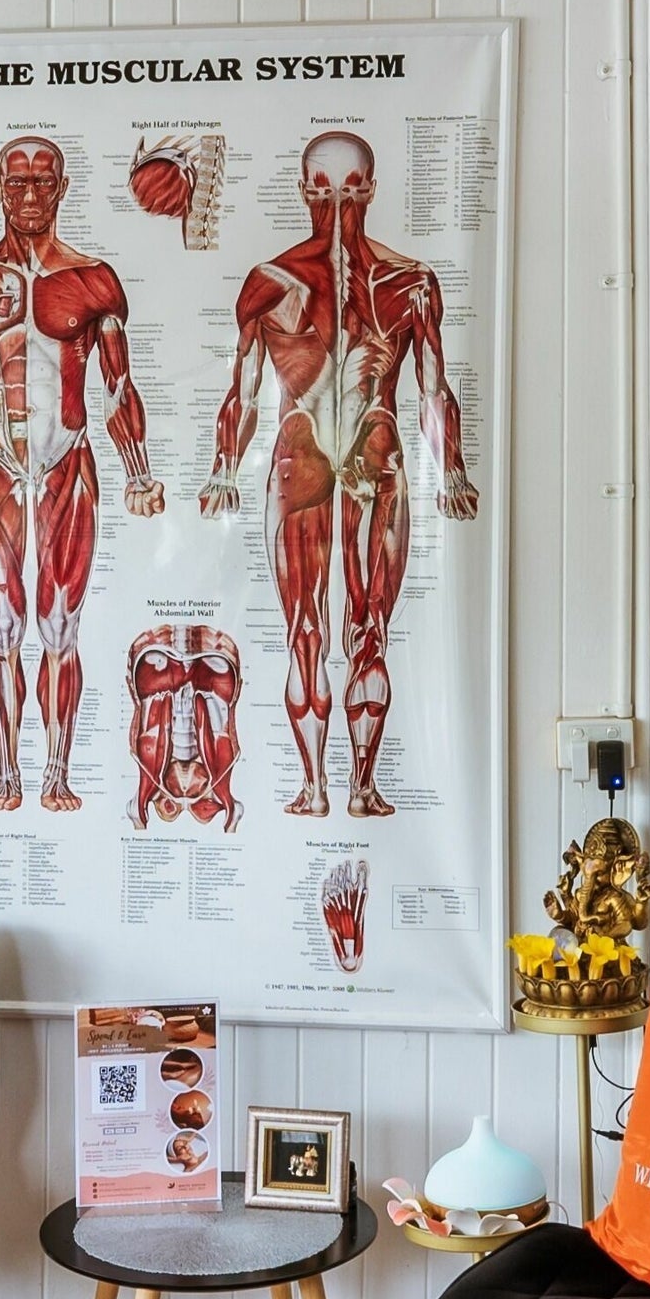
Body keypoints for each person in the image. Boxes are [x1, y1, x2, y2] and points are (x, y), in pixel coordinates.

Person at [201, 131, 477, 817]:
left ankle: (361, 785)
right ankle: (314, 786)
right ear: (303, 190)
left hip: (375, 458)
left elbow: (434, 386)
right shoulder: (270, 282)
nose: (337, 205)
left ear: (372, 189)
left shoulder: (411, 282)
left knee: (369, 629)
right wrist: (223, 469)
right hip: (299, 460)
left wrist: (451, 471)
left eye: (351, 189)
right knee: (304, 631)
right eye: (323, 189)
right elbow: (242, 389)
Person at [0, 138, 164, 810]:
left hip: (67, 463)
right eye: (16, 181)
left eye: (42, 182)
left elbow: (118, 385)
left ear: (62, 187)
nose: (29, 194)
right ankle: (6, 772)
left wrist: (138, 474)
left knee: (60, 625)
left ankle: (56, 773)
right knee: (1, 624)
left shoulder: (93, 279)